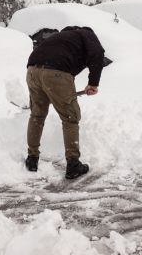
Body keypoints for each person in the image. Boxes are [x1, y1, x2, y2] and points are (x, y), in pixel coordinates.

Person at [24, 26, 105, 179]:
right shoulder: (86, 34)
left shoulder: (60, 38)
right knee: (71, 118)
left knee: (37, 115)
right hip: (55, 73)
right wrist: (93, 83)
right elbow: (98, 53)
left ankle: (32, 159)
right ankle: (73, 165)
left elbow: (57, 63)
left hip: (32, 71)